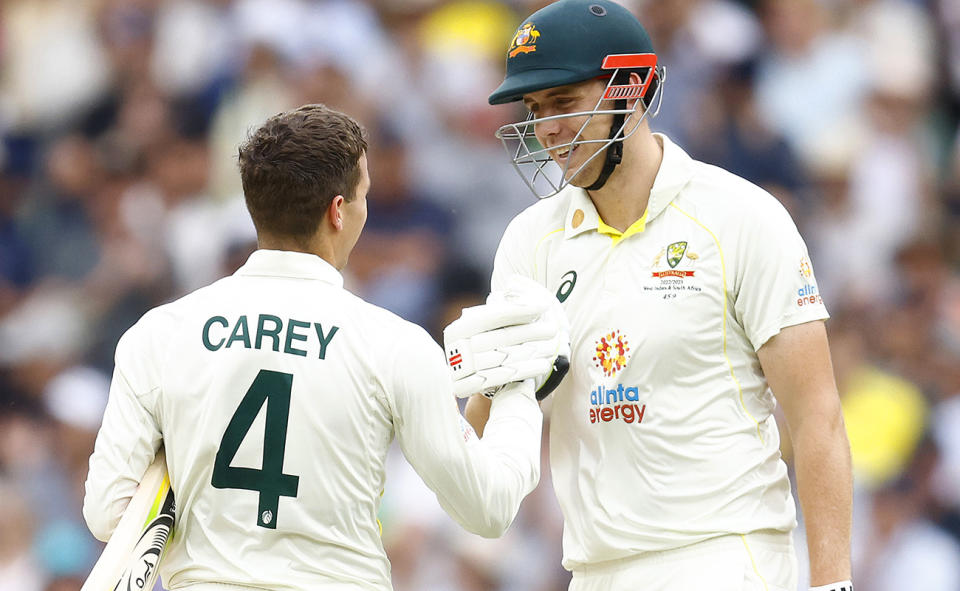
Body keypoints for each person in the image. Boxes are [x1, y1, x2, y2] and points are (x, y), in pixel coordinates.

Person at [82, 104, 564, 590]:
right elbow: (488, 508)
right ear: (338, 210)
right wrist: (519, 391)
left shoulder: (159, 333)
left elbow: (108, 514)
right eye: (364, 196)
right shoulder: (393, 344)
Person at [462, 1, 854, 590]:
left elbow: (817, 417)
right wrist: (491, 384)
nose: (546, 129)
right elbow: (493, 435)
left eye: (565, 103)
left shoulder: (741, 217)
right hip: (594, 569)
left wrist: (833, 583)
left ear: (633, 89)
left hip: (726, 555)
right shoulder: (528, 243)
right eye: (535, 108)